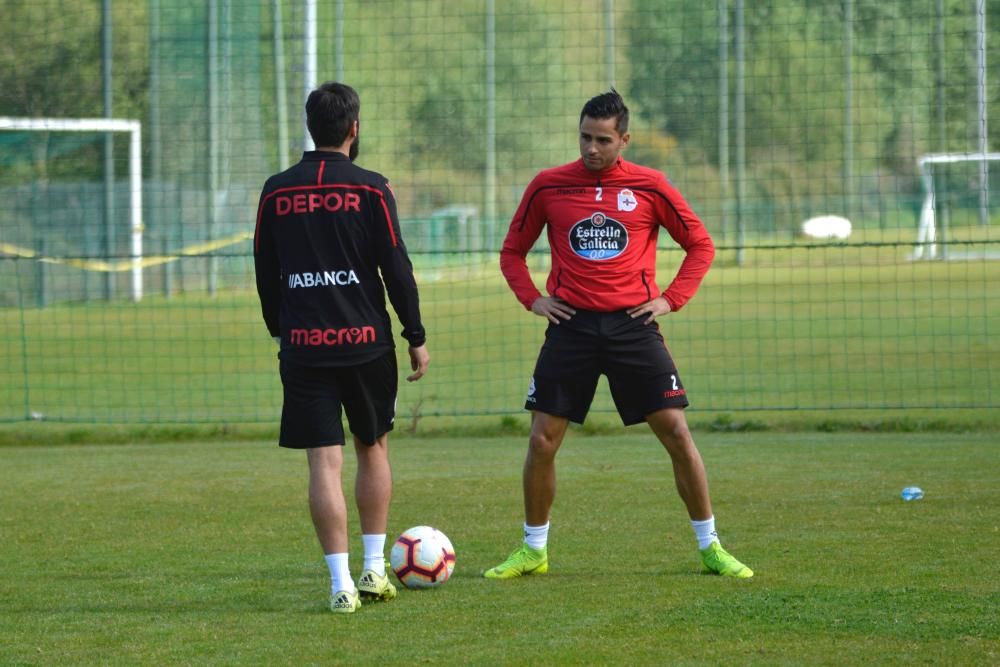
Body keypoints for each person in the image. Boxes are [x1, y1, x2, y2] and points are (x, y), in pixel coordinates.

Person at [487, 89, 752, 580]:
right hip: (571, 326)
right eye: (585, 137)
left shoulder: (650, 187)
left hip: (634, 326)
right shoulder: (548, 187)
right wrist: (533, 298)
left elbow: (700, 244)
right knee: (543, 440)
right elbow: (511, 252)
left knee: (676, 433)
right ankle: (533, 550)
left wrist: (670, 299)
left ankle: (711, 546)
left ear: (624, 139)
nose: (591, 148)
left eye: (603, 140)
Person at [254, 82, 430, 613]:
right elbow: (396, 268)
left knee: (321, 463)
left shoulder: (276, 191)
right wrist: (415, 334)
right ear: (355, 127)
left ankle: (340, 585)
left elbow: (265, 269)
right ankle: (375, 569)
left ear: (311, 126)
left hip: (304, 346)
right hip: (366, 344)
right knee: (372, 448)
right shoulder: (373, 188)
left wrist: (279, 329)